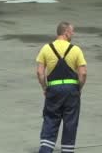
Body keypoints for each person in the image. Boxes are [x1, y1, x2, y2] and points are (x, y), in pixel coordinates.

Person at [36, 22, 87, 153]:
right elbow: (83, 73)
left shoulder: (46, 48)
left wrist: (44, 87)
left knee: (51, 119)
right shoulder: (76, 50)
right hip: (71, 90)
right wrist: (78, 88)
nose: (73, 34)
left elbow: (40, 73)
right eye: (72, 31)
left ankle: (46, 149)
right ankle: (67, 150)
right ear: (66, 32)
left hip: (54, 89)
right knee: (70, 122)